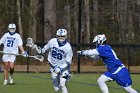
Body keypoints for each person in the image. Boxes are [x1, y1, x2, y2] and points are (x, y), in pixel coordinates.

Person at [37, 29, 73, 93]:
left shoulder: (68, 47)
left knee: (62, 84)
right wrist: (41, 51)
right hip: (53, 67)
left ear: (66, 36)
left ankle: (67, 76)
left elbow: (68, 62)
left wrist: (60, 68)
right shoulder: (52, 41)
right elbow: (45, 49)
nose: (60, 38)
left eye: (62, 36)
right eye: (59, 36)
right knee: (56, 89)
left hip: (64, 68)